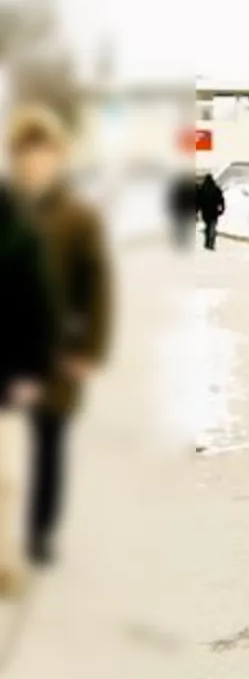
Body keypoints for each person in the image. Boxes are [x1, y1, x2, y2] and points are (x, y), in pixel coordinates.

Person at [5, 105, 113, 567]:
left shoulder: (77, 217)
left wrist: (88, 350)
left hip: (58, 351)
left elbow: (97, 287)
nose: (35, 163)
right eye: (26, 154)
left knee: (48, 444)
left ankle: (40, 533)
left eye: (44, 153)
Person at [0, 175, 56, 596]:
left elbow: (38, 309)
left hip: (10, 377)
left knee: (7, 478)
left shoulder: (20, 238)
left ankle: (7, 562)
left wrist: (33, 372)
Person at [196, 173, 225, 250]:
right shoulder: (216, 189)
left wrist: (197, 211)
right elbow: (221, 200)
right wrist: (222, 208)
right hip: (214, 211)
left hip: (205, 212)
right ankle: (211, 242)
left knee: (208, 226)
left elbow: (198, 201)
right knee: (212, 226)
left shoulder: (202, 189)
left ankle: (207, 241)